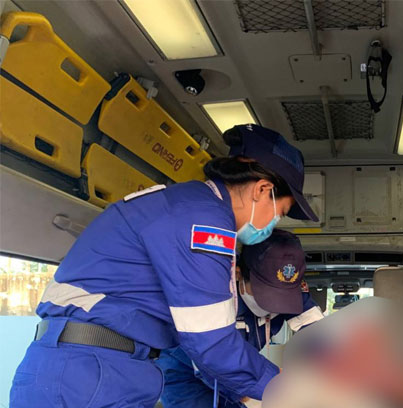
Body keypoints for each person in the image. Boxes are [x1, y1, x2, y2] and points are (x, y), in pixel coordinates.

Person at [10, 124, 318, 407]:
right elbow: (212, 341)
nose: (275, 223)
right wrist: (291, 390)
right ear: (262, 189)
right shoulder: (204, 219)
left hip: (82, 369)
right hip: (90, 374)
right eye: (281, 212)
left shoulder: (188, 204)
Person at [157, 229, 324, 408]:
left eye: (283, 295)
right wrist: (271, 387)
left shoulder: (290, 289)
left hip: (240, 370)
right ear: (237, 274)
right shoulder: (211, 294)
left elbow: (321, 335)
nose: (273, 305)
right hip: (186, 376)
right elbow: (211, 356)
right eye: (267, 293)